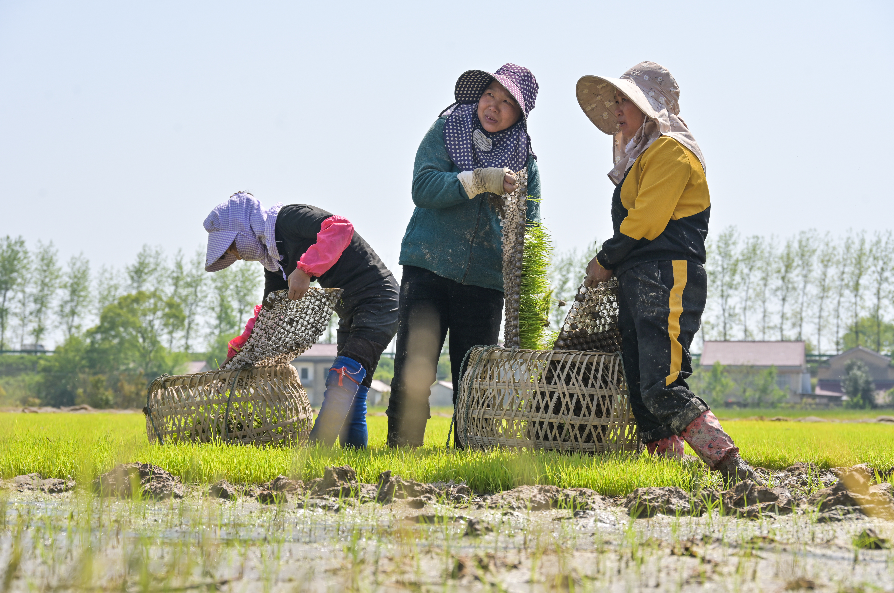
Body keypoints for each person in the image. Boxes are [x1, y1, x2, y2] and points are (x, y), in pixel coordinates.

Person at [576, 61, 760, 482]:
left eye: (627, 101)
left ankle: (730, 465)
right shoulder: (642, 157)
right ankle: (669, 474)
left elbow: (647, 221)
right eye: (617, 101)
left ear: (652, 107)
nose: (618, 109)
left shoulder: (672, 152)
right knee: (643, 391)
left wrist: (605, 258)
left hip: (668, 274)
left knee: (663, 383)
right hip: (640, 277)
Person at [386, 63, 542, 448]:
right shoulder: (446, 130)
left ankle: (469, 458)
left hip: (485, 282)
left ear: (519, 115)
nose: (494, 106)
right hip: (429, 266)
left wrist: (510, 208)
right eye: (490, 94)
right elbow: (422, 186)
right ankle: (401, 455)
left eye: (507, 102)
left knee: (474, 380)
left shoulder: (525, 161)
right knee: (413, 368)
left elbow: (530, 227)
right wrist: (478, 181)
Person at [203, 192, 399, 448]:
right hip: (351, 312)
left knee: (342, 377)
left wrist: (306, 269)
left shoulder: (288, 218)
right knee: (355, 390)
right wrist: (243, 346)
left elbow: (339, 227)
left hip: (379, 302)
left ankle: (316, 452)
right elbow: (272, 310)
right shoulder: (275, 259)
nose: (236, 255)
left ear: (243, 227)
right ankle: (354, 457)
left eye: (232, 246)